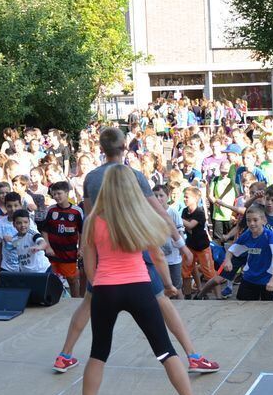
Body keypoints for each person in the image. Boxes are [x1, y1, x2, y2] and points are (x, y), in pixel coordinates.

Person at [55, 127, 219, 375]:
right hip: (132, 249)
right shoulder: (134, 176)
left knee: (88, 303)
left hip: (103, 253)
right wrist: (179, 242)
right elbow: (159, 212)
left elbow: (89, 216)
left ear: (101, 148)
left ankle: (64, 355)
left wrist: (89, 251)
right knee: (162, 300)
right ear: (124, 148)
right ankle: (193, 355)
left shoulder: (91, 178)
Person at [77, 164, 214, 395]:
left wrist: (100, 284)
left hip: (105, 289)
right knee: (165, 350)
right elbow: (158, 256)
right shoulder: (140, 216)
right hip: (139, 288)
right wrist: (168, 285)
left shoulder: (93, 220)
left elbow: (89, 266)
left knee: (98, 353)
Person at [222, 206, 273, 301]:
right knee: (243, 307)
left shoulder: (269, 236)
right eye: (248, 220)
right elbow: (230, 251)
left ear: (263, 221)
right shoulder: (246, 235)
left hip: (267, 279)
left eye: (255, 220)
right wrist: (228, 261)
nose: (252, 223)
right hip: (249, 278)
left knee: (272, 309)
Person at [43, 181, 85, 300]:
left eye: (59, 193)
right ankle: (53, 301)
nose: (56, 196)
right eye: (54, 194)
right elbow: (44, 230)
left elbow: (82, 231)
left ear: (67, 193)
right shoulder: (51, 210)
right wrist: (48, 247)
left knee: (71, 278)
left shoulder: (76, 211)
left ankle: (75, 301)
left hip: (69, 251)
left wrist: (81, 248)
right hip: (53, 251)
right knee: (53, 278)